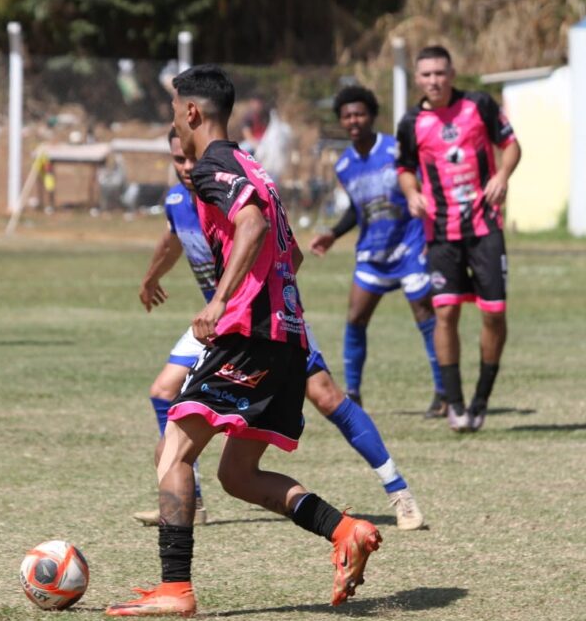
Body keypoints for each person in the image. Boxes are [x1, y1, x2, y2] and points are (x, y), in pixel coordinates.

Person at [107, 65, 381, 618]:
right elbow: (292, 252)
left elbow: (253, 227)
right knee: (237, 476)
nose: (174, 126)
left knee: (173, 454)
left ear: (190, 113)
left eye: (173, 113)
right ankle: (344, 529)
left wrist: (219, 301)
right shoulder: (252, 164)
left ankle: (175, 589)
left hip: (250, 336)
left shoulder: (211, 166)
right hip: (287, 337)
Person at [133, 127, 423, 531]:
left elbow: (288, 249)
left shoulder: (230, 188)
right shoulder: (182, 200)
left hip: (263, 321)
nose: (186, 167)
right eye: (178, 160)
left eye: (191, 158)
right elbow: (172, 240)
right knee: (163, 391)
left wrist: (256, 295)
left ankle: (399, 492)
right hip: (219, 325)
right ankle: (188, 499)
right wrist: (150, 279)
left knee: (325, 397)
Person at [396, 46, 521, 432]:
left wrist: (501, 176)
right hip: (441, 232)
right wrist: (412, 192)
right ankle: (455, 403)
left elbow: (511, 146)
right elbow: (404, 167)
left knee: (494, 314)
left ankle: (481, 398)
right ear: (417, 79)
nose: (434, 81)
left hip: (485, 227)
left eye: (440, 73)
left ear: (452, 73)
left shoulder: (479, 105)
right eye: (426, 74)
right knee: (446, 313)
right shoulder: (411, 122)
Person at [310, 85, 445, 417]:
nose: (354, 120)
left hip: (410, 247)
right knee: (355, 317)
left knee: (426, 317)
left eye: (359, 113)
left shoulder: (397, 149)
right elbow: (359, 210)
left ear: (371, 115)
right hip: (373, 252)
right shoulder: (344, 165)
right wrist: (333, 234)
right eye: (347, 116)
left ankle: (444, 392)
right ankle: (353, 394)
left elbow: (421, 187)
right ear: (341, 121)